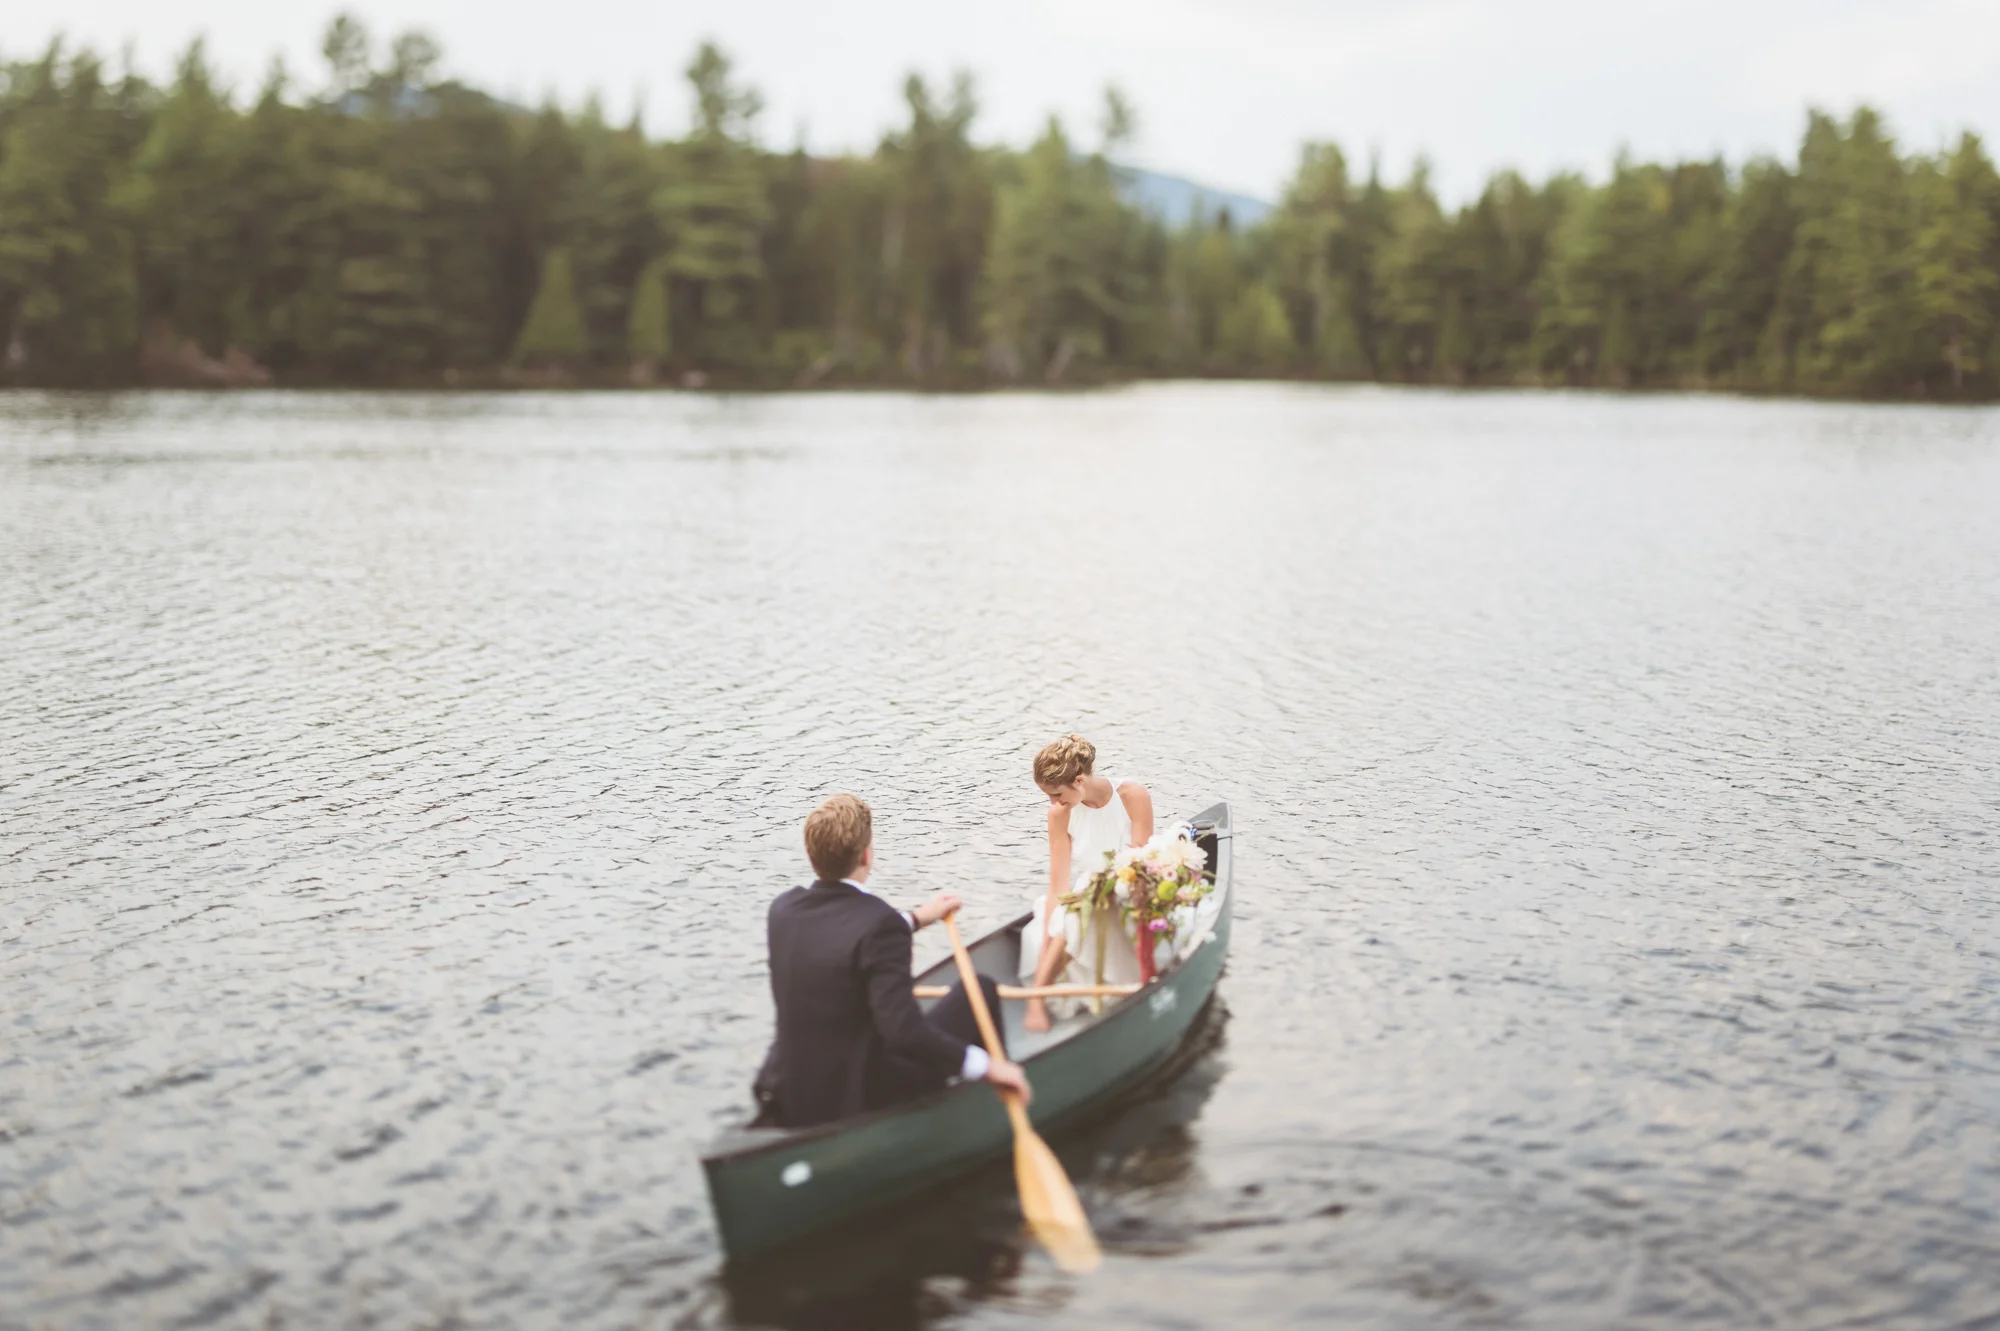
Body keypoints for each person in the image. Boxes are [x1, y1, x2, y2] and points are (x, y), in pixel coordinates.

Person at [755, 793, 1032, 1129]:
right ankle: (999, 1101)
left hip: (794, 1087)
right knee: (980, 989)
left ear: (811, 855)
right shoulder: (878, 924)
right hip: (861, 1095)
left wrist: (917, 918)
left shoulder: (784, 911)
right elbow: (904, 1033)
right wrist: (986, 1066)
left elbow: (843, 931)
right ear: (867, 855)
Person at [1019, 735, 1154, 1034]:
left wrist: (1115, 890)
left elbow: (1140, 863)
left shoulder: (1134, 796)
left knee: (1088, 908)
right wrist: (1048, 932)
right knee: (1075, 911)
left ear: (1079, 781)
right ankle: (1037, 999)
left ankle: (1038, 996)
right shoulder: (1059, 815)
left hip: (1131, 890)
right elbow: (1058, 883)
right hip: (1086, 893)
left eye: (1057, 795)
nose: (1054, 803)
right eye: (1048, 797)